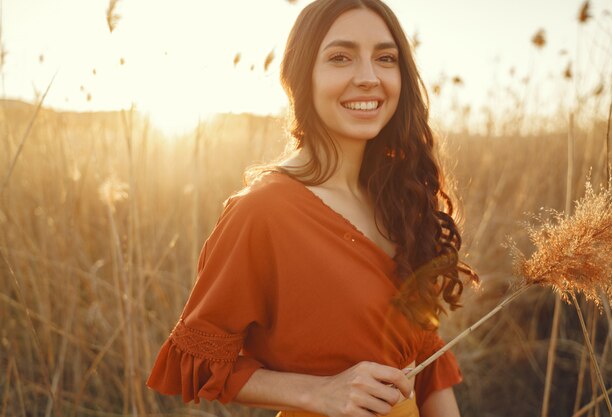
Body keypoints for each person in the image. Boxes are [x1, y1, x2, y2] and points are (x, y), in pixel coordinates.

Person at [146, 1, 477, 416]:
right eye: (340, 57)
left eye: (385, 58)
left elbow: (426, 359)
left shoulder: (400, 198)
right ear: (301, 75)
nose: (368, 77)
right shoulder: (262, 211)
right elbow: (198, 362)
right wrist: (317, 392)